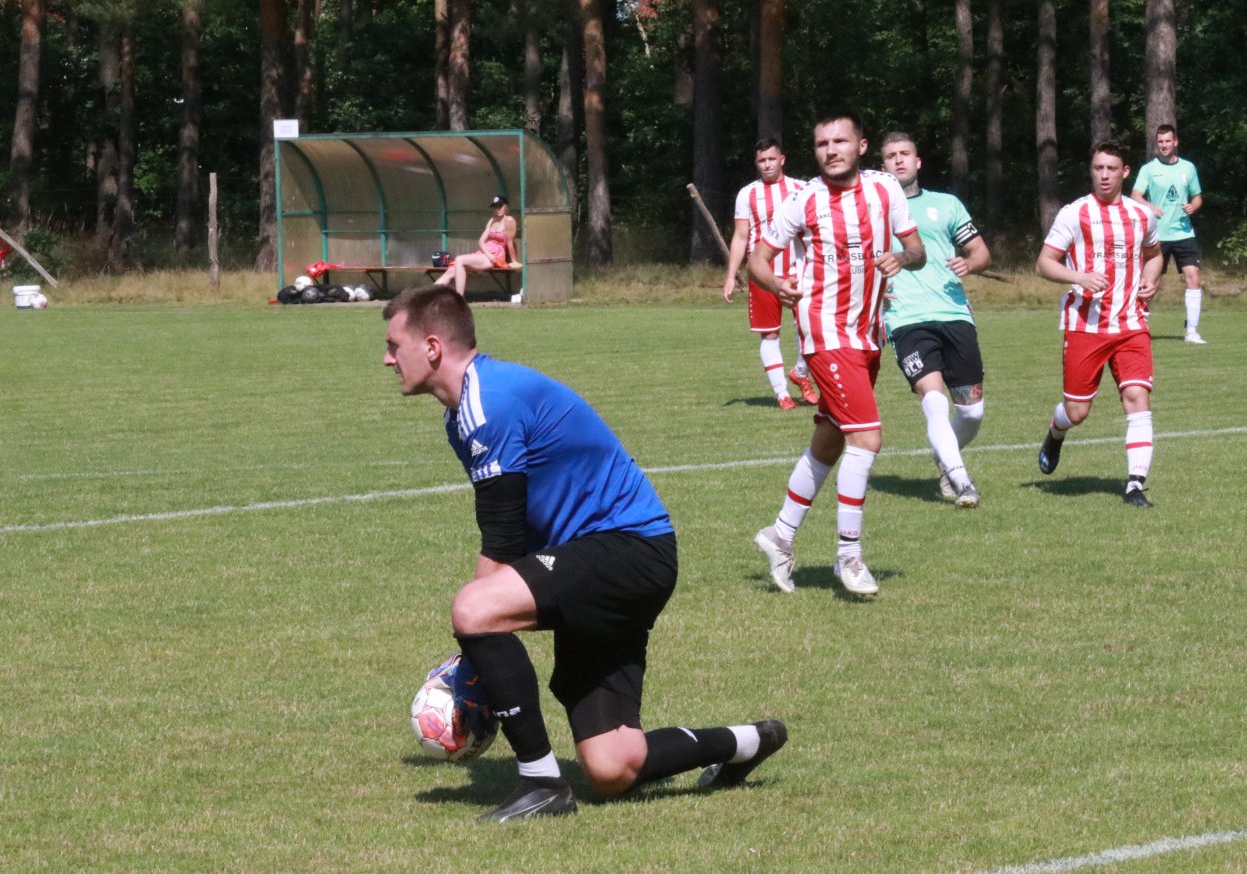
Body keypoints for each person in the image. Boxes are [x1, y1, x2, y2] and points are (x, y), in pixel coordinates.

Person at [382, 285, 787, 822]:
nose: (388, 359)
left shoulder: (488, 403)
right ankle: (746, 743)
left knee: (474, 609)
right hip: (599, 560)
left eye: (394, 345)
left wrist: (476, 646)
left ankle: (541, 782)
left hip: (626, 551)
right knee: (611, 766)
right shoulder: (464, 411)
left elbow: (500, 543)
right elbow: (520, 528)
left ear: (432, 346)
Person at [748, 111, 925, 596]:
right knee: (866, 439)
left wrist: (901, 258)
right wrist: (777, 284)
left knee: (830, 438)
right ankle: (848, 555)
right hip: (824, 333)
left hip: (868, 334)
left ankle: (780, 534)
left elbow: (917, 250)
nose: (830, 150)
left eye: (840, 141)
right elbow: (756, 260)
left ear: (861, 145)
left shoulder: (885, 189)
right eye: (822, 143)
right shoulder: (802, 201)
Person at [1035, 140, 1163, 508]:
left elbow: (1154, 255)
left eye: (1111, 169)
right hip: (1085, 325)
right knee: (1077, 412)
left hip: (1130, 323)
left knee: (1137, 397)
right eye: (1098, 168)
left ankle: (1135, 485)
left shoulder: (1142, 217)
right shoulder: (1074, 214)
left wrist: (1152, 278)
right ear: (1091, 171)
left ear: (1125, 172)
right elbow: (1044, 263)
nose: (1104, 175)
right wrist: (1079, 276)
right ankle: (1056, 432)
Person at [879, 132, 992, 507]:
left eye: (905, 154)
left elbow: (980, 252)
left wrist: (969, 263)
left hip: (953, 311)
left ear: (918, 161)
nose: (899, 161)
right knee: (934, 399)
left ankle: (945, 457)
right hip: (905, 318)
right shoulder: (872, 211)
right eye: (891, 156)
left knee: (972, 411)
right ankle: (962, 481)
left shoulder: (947, 205)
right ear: (882, 166)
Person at [723, 138, 820, 411]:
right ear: (757, 163)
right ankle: (782, 395)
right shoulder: (747, 195)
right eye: (761, 160)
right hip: (763, 277)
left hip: (799, 274)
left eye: (771, 159)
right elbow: (741, 237)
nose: (767, 165)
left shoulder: (800, 189)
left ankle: (800, 373)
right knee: (770, 335)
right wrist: (731, 276)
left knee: (810, 331)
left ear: (782, 159)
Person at [1131, 124, 1205, 344]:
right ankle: (1139, 326)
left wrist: (1194, 206)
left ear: (1175, 142)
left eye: (1167, 141)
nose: (1163, 145)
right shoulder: (1148, 169)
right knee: (1150, 283)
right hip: (1157, 236)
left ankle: (1192, 331)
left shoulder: (1188, 168)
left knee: (1193, 277)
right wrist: (1149, 207)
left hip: (1183, 233)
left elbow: (1198, 197)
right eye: (1160, 141)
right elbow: (1135, 195)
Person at [433, 195, 517, 296]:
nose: (497, 209)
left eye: (499, 206)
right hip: (485, 253)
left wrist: (514, 261)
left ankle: (459, 300)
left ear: (506, 206)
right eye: (495, 207)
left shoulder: (509, 220)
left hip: (496, 256)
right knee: (451, 271)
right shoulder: (492, 220)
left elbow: (510, 242)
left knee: (459, 259)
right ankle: (426, 298)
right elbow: (481, 241)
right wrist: (487, 253)